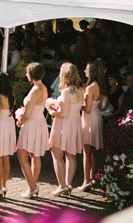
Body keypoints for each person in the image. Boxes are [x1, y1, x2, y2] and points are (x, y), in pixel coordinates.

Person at [48, 62, 84, 196]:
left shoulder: (65, 92)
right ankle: (68, 184)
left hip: (63, 124)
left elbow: (62, 113)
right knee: (71, 155)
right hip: (75, 123)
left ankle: (62, 185)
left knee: (57, 154)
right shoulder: (80, 90)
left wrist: (52, 111)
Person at [16, 62, 50, 199]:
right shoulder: (43, 87)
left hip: (31, 123)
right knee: (35, 155)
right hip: (39, 121)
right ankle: (32, 186)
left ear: (32, 74)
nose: (26, 75)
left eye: (27, 73)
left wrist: (20, 120)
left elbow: (28, 114)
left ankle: (32, 186)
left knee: (21, 155)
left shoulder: (35, 89)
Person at [80, 61, 105, 191]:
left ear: (92, 72)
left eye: (87, 69)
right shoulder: (99, 85)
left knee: (86, 153)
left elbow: (87, 109)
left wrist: (78, 104)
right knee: (93, 153)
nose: (85, 71)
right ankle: (92, 178)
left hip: (89, 118)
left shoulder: (90, 88)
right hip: (97, 117)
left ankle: (86, 181)